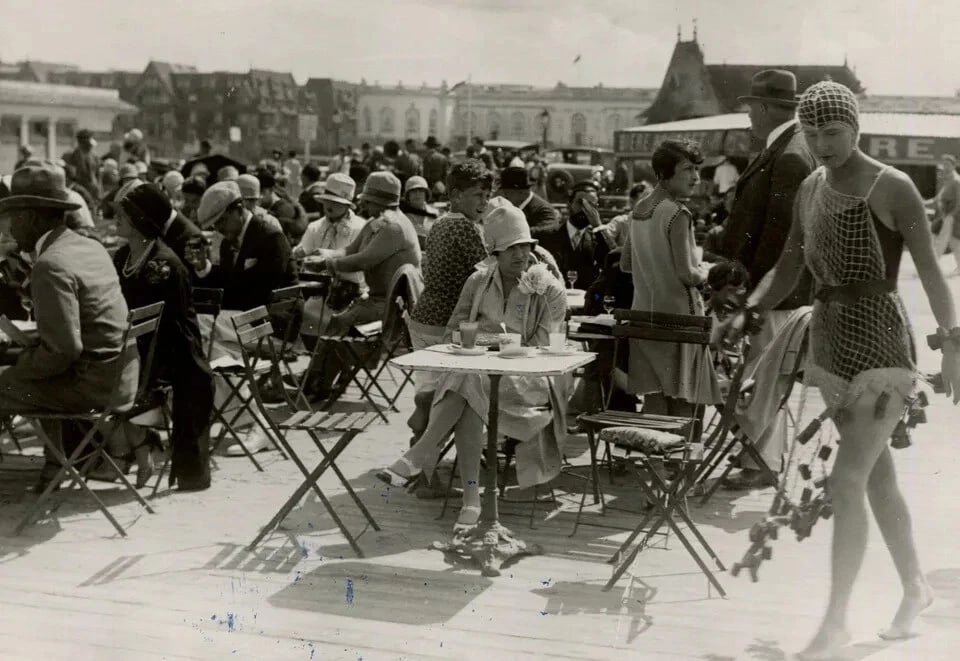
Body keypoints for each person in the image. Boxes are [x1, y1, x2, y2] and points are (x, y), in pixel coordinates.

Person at [721, 81, 960, 660]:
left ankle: (835, 621)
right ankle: (916, 588)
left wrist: (952, 349)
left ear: (856, 129)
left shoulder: (892, 185)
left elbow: (931, 270)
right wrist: (748, 309)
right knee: (875, 478)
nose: (824, 145)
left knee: (846, 480)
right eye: (814, 133)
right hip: (829, 345)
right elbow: (787, 266)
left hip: (883, 346)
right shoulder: (808, 186)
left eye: (833, 133)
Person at [379, 206, 569, 527]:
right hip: (480, 380)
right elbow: (454, 331)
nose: (521, 255)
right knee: (470, 388)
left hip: (528, 383)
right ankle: (471, 501)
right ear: (495, 252)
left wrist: (489, 339)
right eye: (512, 248)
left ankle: (424, 455)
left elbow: (543, 346)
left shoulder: (547, 287)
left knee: (467, 383)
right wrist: (494, 339)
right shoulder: (478, 281)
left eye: (525, 246)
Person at [0, 162, 138, 491]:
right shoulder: (88, 246)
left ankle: (58, 464)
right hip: (122, 374)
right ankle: (58, 464)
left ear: (31, 217)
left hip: (90, 385)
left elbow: (64, 350)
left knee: (8, 380)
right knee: (21, 373)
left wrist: (20, 363)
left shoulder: (51, 263)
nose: (9, 229)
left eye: (13, 218)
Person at [718, 69, 817, 489]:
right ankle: (756, 457)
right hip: (771, 291)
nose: (747, 118)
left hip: (775, 294)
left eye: (749, 109)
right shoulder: (785, 148)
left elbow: (779, 239)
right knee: (763, 375)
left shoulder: (790, 156)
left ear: (761, 107)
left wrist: (749, 294)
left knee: (765, 375)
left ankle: (761, 464)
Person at [109, 184, 214, 491]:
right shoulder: (123, 257)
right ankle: (136, 448)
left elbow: (176, 327)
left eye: (123, 215)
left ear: (141, 220)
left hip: (167, 356)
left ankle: (131, 450)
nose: (116, 219)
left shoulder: (165, 265)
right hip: (134, 348)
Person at [620, 140, 720, 416]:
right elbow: (687, 273)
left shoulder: (639, 209)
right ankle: (679, 458)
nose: (696, 177)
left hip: (644, 315)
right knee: (685, 399)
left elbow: (626, 263)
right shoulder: (677, 212)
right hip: (681, 318)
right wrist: (708, 271)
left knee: (655, 395)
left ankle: (656, 459)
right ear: (664, 173)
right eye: (688, 169)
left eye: (697, 169)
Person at [309, 172, 421, 401]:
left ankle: (317, 380)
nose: (363, 205)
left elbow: (364, 261)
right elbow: (350, 251)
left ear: (379, 202)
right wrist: (326, 254)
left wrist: (328, 264)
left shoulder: (394, 227)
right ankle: (319, 379)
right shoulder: (375, 223)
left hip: (392, 307)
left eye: (367, 202)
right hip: (378, 299)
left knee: (341, 321)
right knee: (339, 321)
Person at [405, 160, 492, 447]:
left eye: (487, 194)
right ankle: (426, 473)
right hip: (444, 323)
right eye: (478, 194)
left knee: (430, 390)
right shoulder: (465, 228)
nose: (485, 201)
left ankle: (422, 443)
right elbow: (489, 272)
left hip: (423, 317)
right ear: (455, 195)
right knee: (444, 400)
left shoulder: (440, 223)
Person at [189, 181, 296, 311]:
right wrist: (203, 267)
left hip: (275, 317)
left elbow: (263, 292)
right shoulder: (227, 243)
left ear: (239, 209)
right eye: (214, 225)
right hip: (244, 314)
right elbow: (226, 283)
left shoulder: (271, 237)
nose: (218, 229)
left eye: (222, 221)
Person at [293, 173, 367, 353]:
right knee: (301, 315)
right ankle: (315, 363)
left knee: (322, 316)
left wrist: (327, 258)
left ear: (347, 205)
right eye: (327, 200)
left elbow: (359, 266)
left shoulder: (360, 228)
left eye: (336, 202)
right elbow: (301, 251)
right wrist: (300, 253)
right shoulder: (316, 226)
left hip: (351, 291)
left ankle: (321, 366)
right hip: (319, 291)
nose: (330, 205)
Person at [540, 180, 603, 290]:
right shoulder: (548, 236)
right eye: (580, 203)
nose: (585, 209)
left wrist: (599, 227)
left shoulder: (598, 238)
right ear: (569, 204)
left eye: (591, 205)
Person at [496, 166, 560, 240]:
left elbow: (551, 228)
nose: (503, 196)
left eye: (506, 193)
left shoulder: (543, 209)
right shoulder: (509, 205)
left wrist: (516, 232)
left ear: (522, 192)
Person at [399, 175, 440, 245]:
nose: (417, 194)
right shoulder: (401, 217)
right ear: (408, 196)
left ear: (426, 194)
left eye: (421, 191)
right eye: (414, 191)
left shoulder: (436, 214)